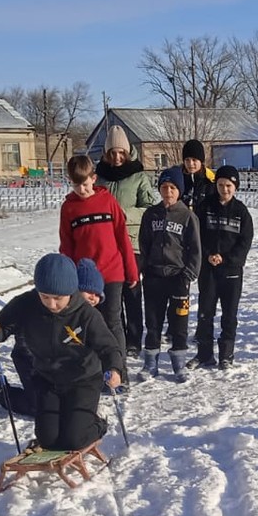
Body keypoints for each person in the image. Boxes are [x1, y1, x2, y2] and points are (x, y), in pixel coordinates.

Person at [0, 253, 124, 451]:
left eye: (58, 298)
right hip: (47, 378)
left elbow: (108, 347)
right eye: (45, 297)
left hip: (83, 380)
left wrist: (115, 369)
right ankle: (72, 424)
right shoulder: (26, 303)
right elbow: (0, 328)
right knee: (48, 439)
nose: (52, 304)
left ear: (71, 291)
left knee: (74, 439)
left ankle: (98, 425)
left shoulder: (86, 315)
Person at [58, 153, 137, 358]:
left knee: (113, 321)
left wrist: (132, 270)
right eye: (76, 186)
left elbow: (122, 237)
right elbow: (66, 246)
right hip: (85, 277)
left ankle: (119, 370)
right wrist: (69, 277)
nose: (81, 190)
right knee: (89, 323)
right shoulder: (69, 208)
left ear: (93, 178)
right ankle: (95, 370)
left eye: (84, 184)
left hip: (112, 272)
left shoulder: (108, 201)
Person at [95, 125, 158, 356]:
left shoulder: (138, 176)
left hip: (131, 242)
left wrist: (124, 214)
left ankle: (133, 339)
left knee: (131, 290)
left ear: (128, 151)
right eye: (113, 153)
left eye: (121, 153)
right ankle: (114, 336)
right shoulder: (99, 177)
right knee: (111, 294)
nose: (118, 158)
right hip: (105, 244)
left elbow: (149, 208)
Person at [138, 168, 201, 380]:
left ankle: (179, 363)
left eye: (172, 188)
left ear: (179, 191)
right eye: (164, 187)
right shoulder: (151, 215)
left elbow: (195, 249)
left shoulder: (188, 216)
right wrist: (145, 268)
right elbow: (144, 243)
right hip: (154, 276)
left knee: (179, 322)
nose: (168, 192)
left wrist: (188, 274)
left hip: (178, 277)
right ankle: (150, 363)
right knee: (153, 321)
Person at [195, 164, 254, 369]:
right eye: (221, 185)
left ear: (235, 186)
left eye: (228, 185)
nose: (224, 189)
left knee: (229, 315)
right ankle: (204, 354)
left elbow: (245, 242)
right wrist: (208, 255)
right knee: (205, 313)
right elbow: (196, 235)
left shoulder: (241, 212)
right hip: (208, 269)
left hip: (231, 271)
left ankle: (226, 355)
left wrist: (227, 259)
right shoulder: (204, 206)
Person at [177, 139, 217, 215]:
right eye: (187, 160)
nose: (190, 164)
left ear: (201, 161)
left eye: (194, 160)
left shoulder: (211, 180)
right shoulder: (178, 179)